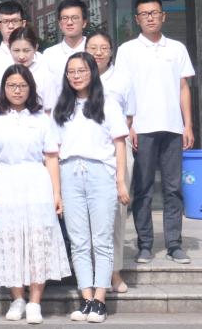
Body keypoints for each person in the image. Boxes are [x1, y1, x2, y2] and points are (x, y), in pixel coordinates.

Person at [0, 65, 71, 325]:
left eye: (22, 86)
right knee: (9, 238)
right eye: (12, 86)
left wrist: (56, 193)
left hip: (36, 182)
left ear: (30, 88)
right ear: (4, 89)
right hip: (5, 181)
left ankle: (35, 301)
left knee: (37, 240)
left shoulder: (41, 119)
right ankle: (17, 297)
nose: (17, 91)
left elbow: (51, 158)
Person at [114, 0, 195, 266]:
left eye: (154, 12)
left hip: (172, 128)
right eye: (144, 14)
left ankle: (174, 244)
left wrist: (187, 125)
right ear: (137, 19)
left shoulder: (177, 48)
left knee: (173, 189)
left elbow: (183, 88)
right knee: (144, 189)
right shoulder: (127, 50)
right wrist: (129, 126)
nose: (150, 17)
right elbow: (123, 92)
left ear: (163, 16)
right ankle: (145, 245)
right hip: (142, 129)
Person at [52, 53, 130, 324]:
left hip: (100, 174)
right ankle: (85, 299)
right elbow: (53, 150)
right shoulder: (61, 106)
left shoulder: (108, 103)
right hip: (69, 173)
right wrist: (56, 190)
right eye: (71, 71)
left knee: (102, 239)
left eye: (81, 70)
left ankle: (100, 299)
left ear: (92, 72)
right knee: (79, 241)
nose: (76, 76)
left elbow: (120, 144)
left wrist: (120, 181)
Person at [86, 29, 135, 293]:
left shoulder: (123, 79)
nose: (98, 53)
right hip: (86, 153)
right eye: (92, 48)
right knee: (86, 217)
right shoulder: (77, 75)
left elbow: (129, 117)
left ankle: (114, 271)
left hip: (117, 151)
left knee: (116, 214)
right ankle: (89, 272)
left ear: (111, 51)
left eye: (103, 48)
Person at [41, 0, 89, 105]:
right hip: (58, 111)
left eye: (75, 18)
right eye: (65, 18)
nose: (69, 22)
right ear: (59, 24)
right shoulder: (49, 55)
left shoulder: (93, 51)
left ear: (84, 22)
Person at [0, 0, 39, 83]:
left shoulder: (41, 60)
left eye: (15, 21)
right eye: (5, 21)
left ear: (23, 23)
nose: (10, 26)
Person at [6, 26, 55, 110]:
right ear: (9, 48)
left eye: (26, 50)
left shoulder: (46, 73)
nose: (21, 56)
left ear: (35, 48)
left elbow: (49, 110)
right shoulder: (5, 70)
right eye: (16, 50)